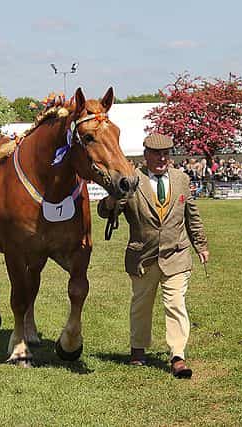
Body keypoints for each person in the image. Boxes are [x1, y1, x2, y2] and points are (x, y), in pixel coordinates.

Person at [97, 133, 209, 379]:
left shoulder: (182, 179)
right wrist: (114, 197)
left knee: (175, 303)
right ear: (145, 154)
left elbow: (192, 216)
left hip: (176, 255)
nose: (161, 158)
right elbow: (104, 213)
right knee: (141, 305)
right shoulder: (132, 179)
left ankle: (177, 355)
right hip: (142, 257)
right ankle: (138, 349)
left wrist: (200, 245)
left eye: (166, 154)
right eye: (156, 154)